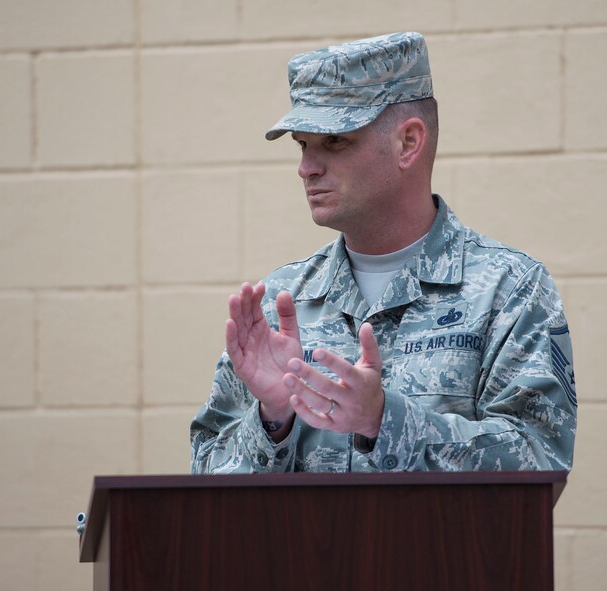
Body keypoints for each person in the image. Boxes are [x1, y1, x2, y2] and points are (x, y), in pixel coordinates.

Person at [190, 32, 577, 473]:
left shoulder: (509, 290)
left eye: (335, 141)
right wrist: (273, 419)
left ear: (408, 143)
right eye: (302, 144)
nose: (306, 167)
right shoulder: (280, 301)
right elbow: (207, 476)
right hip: (303, 546)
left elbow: (541, 466)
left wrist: (385, 422)